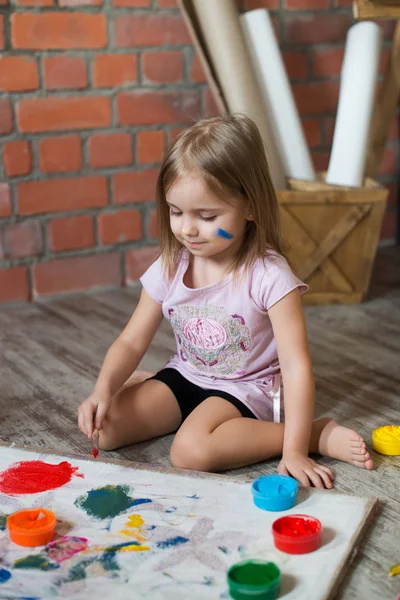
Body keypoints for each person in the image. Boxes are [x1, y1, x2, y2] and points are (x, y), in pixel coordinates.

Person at [78, 114, 373, 488]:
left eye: (206, 215)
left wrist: (296, 450)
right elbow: (132, 340)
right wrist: (102, 391)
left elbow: (296, 366)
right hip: (186, 373)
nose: (187, 228)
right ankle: (152, 388)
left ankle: (315, 434)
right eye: (176, 212)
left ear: (249, 207)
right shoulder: (170, 265)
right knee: (105, 429)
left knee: (189, 452)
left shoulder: (268, 275)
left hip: (246, 387)